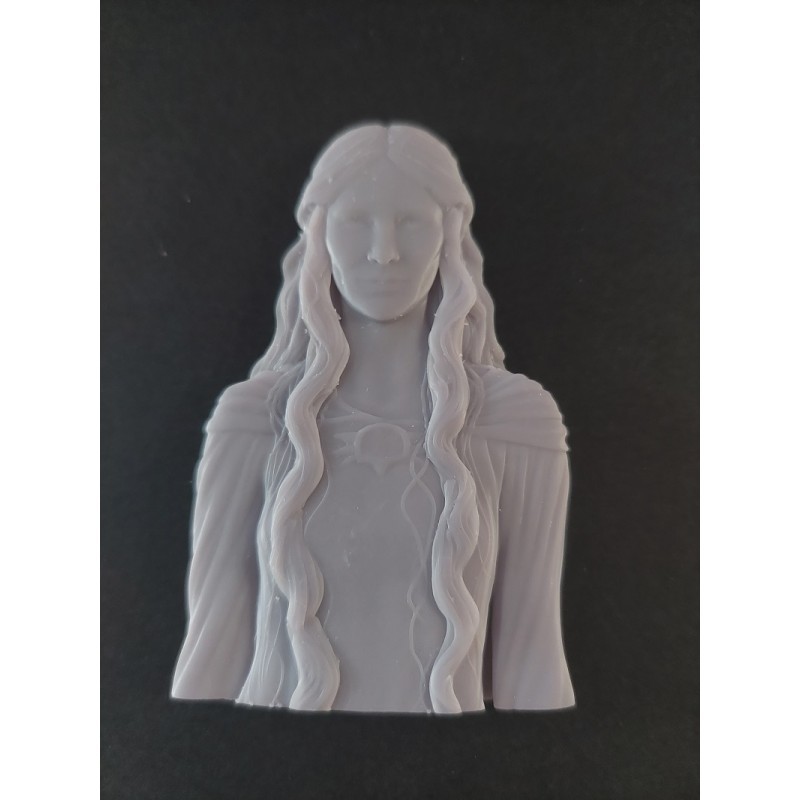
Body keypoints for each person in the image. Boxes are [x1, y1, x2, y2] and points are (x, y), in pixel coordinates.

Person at [171, 123, 575, 714]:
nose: (383, 251)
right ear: (321, 235)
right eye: (357, 221)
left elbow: (534, 655)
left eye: (410, 223)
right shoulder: (255, 419)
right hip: (274, 749)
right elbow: (212, 650)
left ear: (448, 236)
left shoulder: (514, 422)